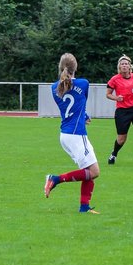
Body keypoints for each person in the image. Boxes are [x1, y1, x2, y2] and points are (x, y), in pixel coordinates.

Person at [44, 53, 100, 213]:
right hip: (76, 134)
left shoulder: (54, 87)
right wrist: (84, 115)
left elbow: (72, 103)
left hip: (66, 134)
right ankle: (54, 179)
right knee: (94, 171)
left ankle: (84, 207)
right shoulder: (84, 83)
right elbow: (81, 100)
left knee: (88, 170)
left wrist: (84, 116)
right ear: (75, 67)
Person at [106, 55, 133, 166]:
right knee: (121, 139)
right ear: (119, 66)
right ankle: (114, 154)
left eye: (126, 64)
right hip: (122, 111)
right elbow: (108, 94)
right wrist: (116, 98)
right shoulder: (114, 79)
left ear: (130, 66)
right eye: (122, 64)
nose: (124, 66)